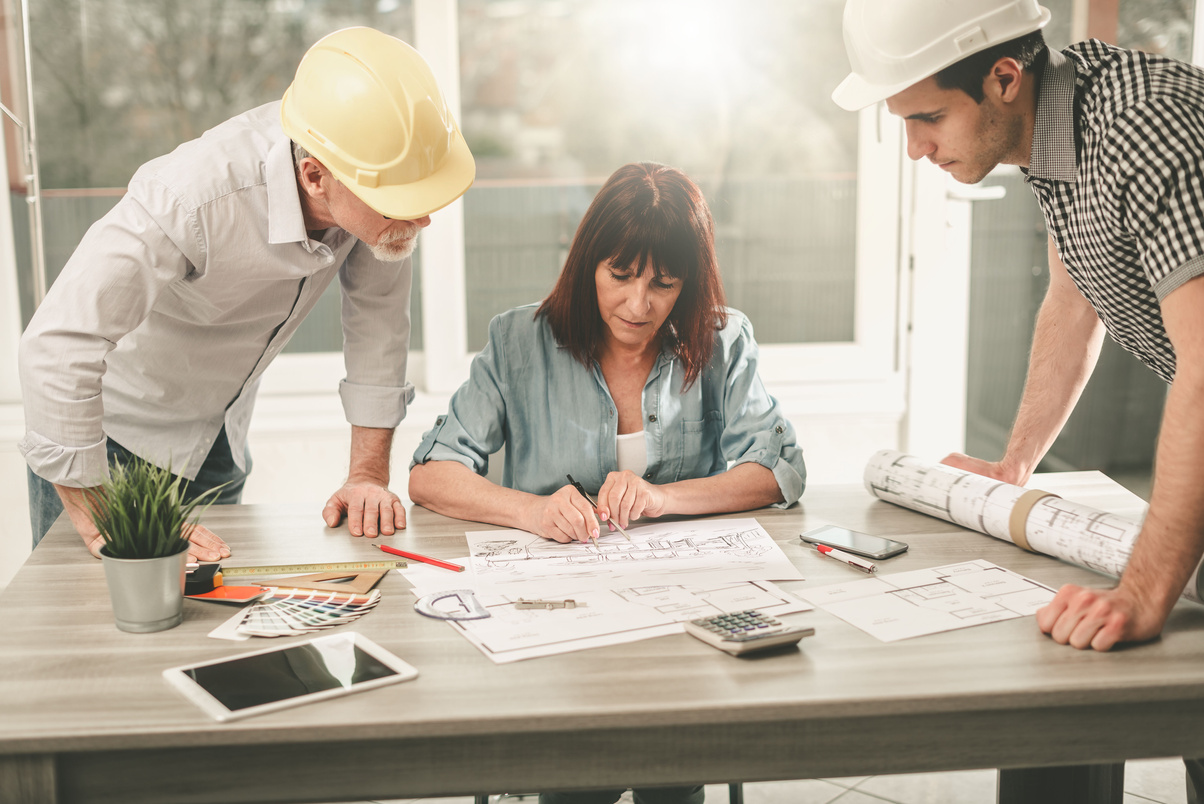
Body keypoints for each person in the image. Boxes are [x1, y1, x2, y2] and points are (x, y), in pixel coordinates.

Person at [835, 0, 1204, 798]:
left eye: (928, 117)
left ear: (1004, 77)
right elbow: (1074, 303)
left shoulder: (1141, 129)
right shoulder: (1053, 136)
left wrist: (1141, 592)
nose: (915, 148)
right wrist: (1015, 465)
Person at [410, 162, 805, 804]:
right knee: (574, 773)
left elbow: (777, 471)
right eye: (619, 276)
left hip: (681, 619)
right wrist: (530, 511)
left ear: (689, 284)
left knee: (672, 772)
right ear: (588, 263)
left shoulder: (723, 340)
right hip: (558, 620)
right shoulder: (519, 341)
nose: (637, 304)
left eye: (664, 283)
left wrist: (662, 498)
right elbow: (432, 474)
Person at [18, 26, 475, 561]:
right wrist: (103, 519)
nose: (420, 216)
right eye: (400, 201)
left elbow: (378, 325)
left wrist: (367, 475)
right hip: (104, 447)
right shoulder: (191, 195)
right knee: (87, 630)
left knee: (211, 630)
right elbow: (56, 345)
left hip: (217, 442)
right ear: (314, 176)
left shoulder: (371, 203)